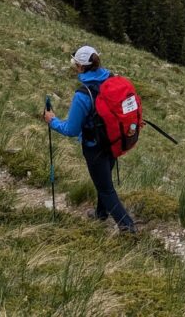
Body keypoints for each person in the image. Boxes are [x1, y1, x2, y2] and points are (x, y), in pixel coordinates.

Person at [42, 45, 137, 233]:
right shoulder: (111, 80)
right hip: (114, 140)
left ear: (80, 67)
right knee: (105, 181)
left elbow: (71, 129)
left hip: (95, 147)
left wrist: (52, 121)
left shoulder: (83, 95)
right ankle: (101, 214)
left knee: (106, 189)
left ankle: (128, 228)